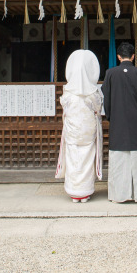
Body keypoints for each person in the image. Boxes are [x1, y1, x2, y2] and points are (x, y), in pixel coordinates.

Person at [101, 42, 137, 203]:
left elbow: (106, 99)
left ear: (118, 57)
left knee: (119, 159)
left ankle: (119, 195)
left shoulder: (110, 74)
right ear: (133, 56)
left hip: (118, 121)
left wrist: (111, 116)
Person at [55, 49, 103, 202]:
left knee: (73, 157)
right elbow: (98, 108)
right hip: (88, 129)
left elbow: (64, 106)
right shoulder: (93, 92)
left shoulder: (68, 91)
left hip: (72, 129)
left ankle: (74, 192)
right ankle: (85, 192)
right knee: (87, 157)